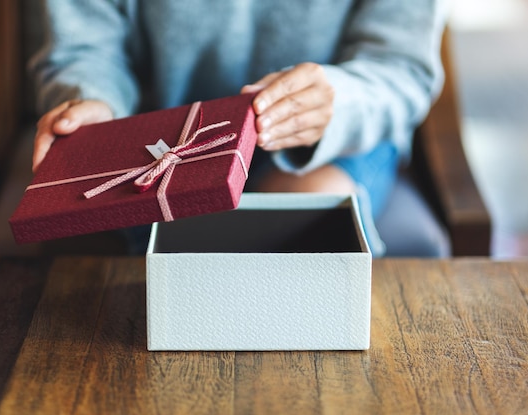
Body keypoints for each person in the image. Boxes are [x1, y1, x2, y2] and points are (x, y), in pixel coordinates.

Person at [29, 0, 449, 256]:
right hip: (160, 139)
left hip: (336, 137)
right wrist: (92, 101)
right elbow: (86, 48)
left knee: (303, 216)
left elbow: (401, 69)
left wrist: (334, 100)